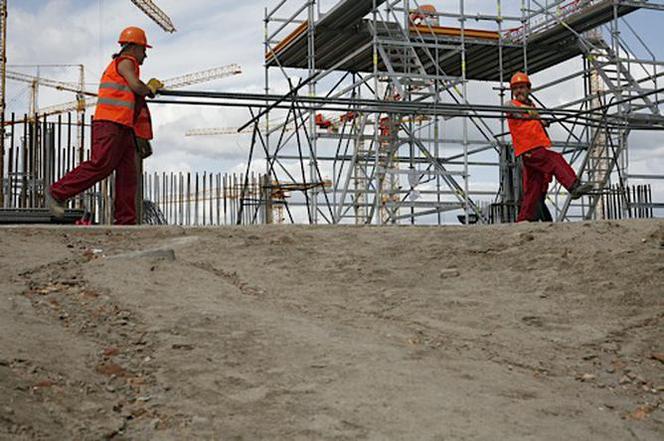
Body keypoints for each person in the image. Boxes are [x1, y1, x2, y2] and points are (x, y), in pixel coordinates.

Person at [46, 26, 164, 225]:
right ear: (133, 47)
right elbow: (136, 86)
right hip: (109, 123)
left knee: (128, 174)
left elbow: (132, 90)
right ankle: (57, 192)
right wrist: (149, 89)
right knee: (101, 165)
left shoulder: (127, 64)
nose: (145, 55)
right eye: (144, 50)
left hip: (124, 127)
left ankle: (126, 221)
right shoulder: (126, 61)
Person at [507, 72, 592, 223]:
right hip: (530, 149)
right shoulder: (513, 105)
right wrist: (535, 117)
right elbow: (512, 109)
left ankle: (524, 219)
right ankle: (573, 185)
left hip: (532, 149)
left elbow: (532, 120)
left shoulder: (532, 107)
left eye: (522, 87)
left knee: (535, 184)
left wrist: (541, 121)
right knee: (554, 159)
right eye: (516, 88)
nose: (519, 91)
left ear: (529, 89)